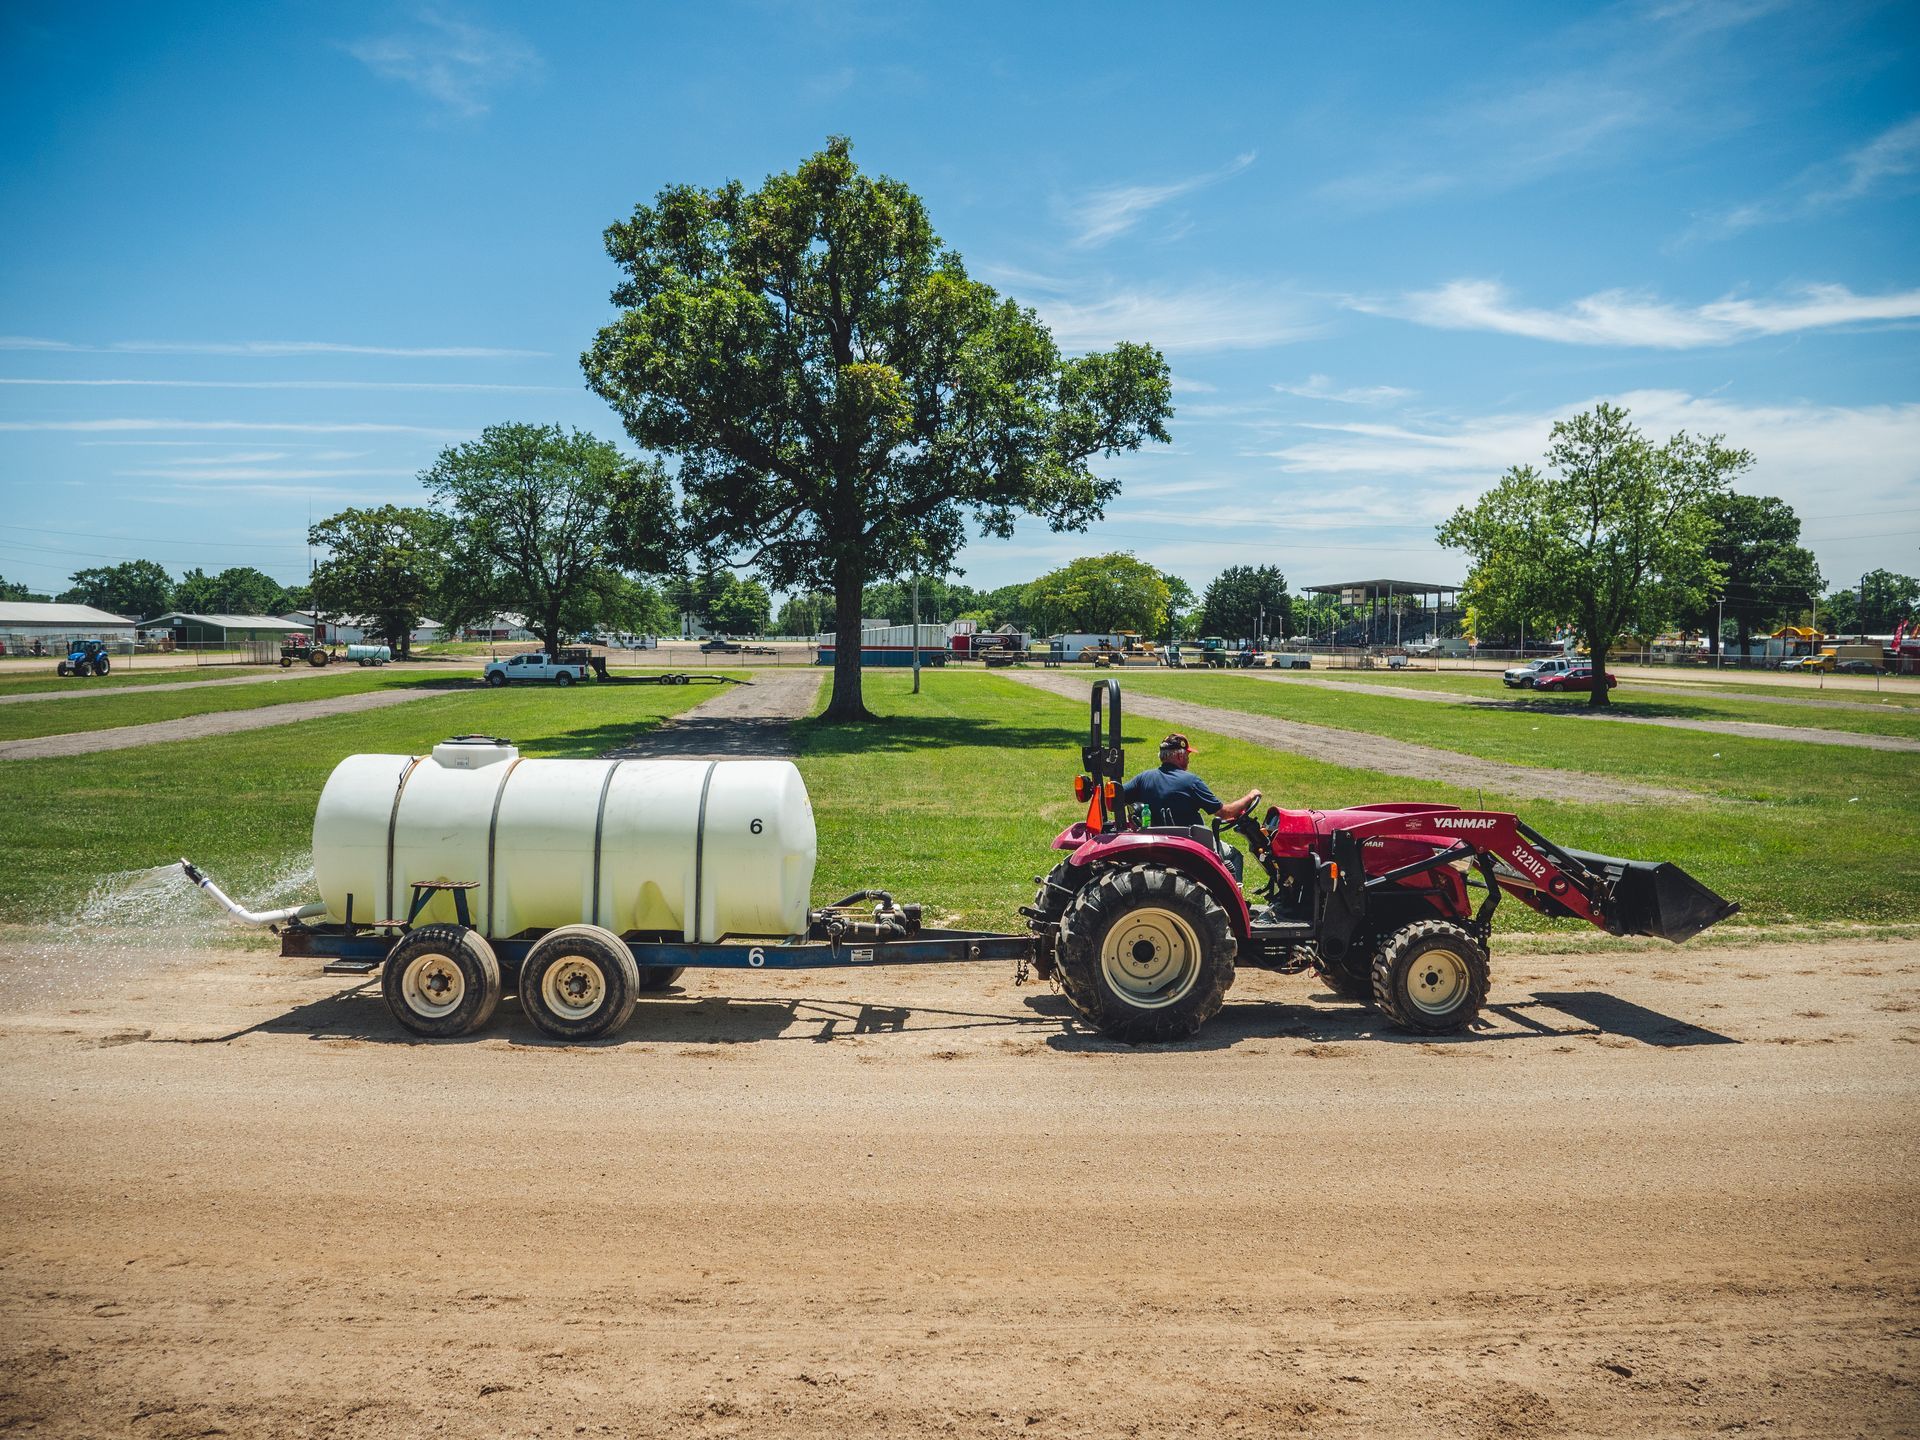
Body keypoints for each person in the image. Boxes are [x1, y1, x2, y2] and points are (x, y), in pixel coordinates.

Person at [1122, 733, 1261, 880]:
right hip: (1191, 843)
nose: (1188, 759)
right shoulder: (1190, 781)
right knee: (1234, 856)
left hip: (1157, 842)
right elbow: (1225, 813)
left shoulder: (1144, 778)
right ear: (1179, 756)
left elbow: (1115, 799)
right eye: (1187, 755)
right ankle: (1234, 901)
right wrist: (1251, 796)